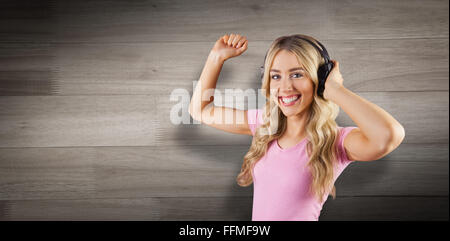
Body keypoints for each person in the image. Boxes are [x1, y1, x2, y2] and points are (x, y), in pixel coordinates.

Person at [188, 33, 405, 221]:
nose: (285, 87)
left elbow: (388, 136)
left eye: (297, 74)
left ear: (319, 80)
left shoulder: (335, 142)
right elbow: (200, 110)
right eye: (275, 76)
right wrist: (216, 57)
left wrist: (335, 90)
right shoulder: (264, 125)